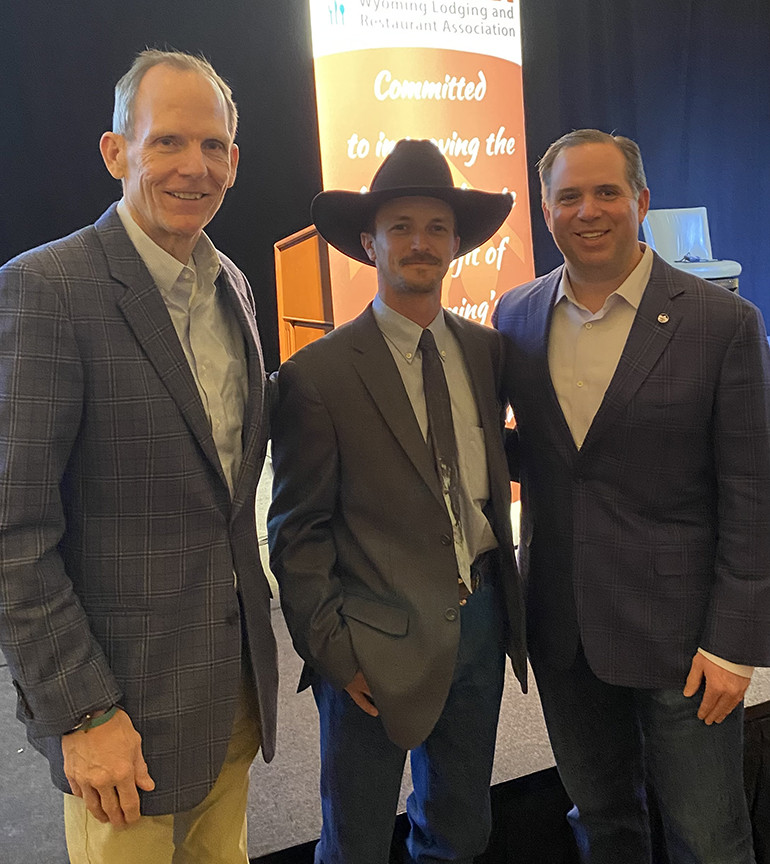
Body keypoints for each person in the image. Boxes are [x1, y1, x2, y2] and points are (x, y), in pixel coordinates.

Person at [0, 49, 278, 863]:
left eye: (214, 145)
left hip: (232, 697)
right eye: (168, 142)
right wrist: (82, 713)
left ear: (235, 160)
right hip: (119, 724)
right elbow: (13, 532)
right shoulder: (48, 289)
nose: (196, 166)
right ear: (116, 152)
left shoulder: (233, 286)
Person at [493, 128, 770, 863]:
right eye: (569, 196)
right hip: (564, 630)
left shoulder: (723, 323)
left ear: (641, 201)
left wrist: (736, 643)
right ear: (546, 211)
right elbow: (545, 456)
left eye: (607, 192)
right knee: (602, 824)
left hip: (686, 642)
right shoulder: (515, 316)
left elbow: (753, 492)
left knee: (709, 840)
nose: (588, 210)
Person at [268, 138, 527, 864]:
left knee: (460, 827)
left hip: (480, 621)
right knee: (354, 839)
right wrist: (335, 651)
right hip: (371, 637)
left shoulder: (487, 352)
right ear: (369, 242)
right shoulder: (317, 375)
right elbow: (296, 531)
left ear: (456, 243)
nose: (421, 243)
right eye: (402, 227)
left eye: (437, 227)